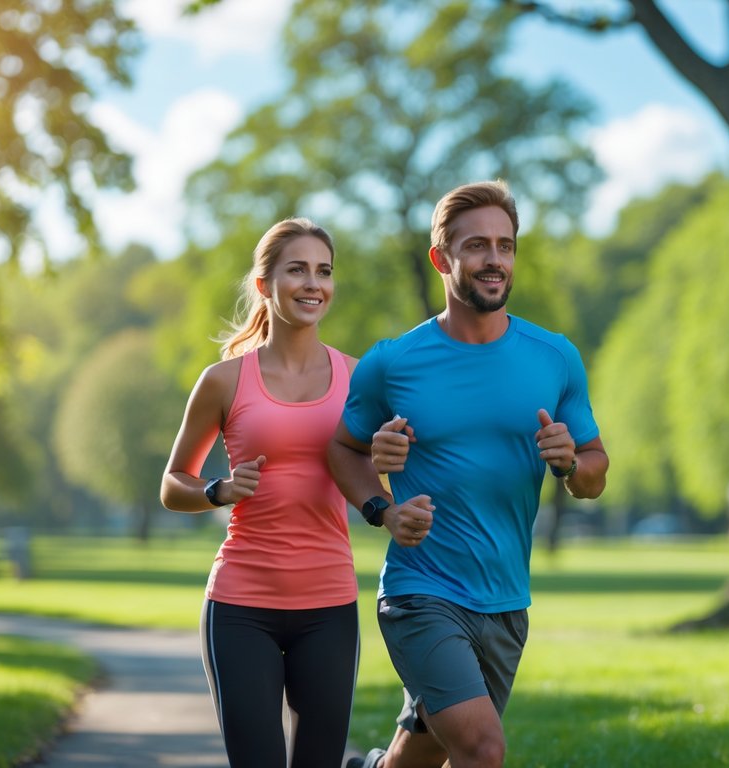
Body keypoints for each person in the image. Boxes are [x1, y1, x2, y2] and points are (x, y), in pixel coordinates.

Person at [331, 180, 609, 768]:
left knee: (428, 746)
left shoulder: (554, 356)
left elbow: (595, 471)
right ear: (442, 258)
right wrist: (381, 508)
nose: (495, 260)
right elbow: (344, 449)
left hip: (506, 597)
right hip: (420, 589)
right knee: (481, 749)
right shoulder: (392, 362)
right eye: (478, 245)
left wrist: (569, 464)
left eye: (506, 246)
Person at [160, 217, 360, 767]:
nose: (313, 284)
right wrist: (219, 491)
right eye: (297, 270)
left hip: (330, 604)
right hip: (241, 605)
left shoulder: (358, 378)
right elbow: (174, 482)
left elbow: (377, 476)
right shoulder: (224, 381)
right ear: (264, 285)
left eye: (324, 271)